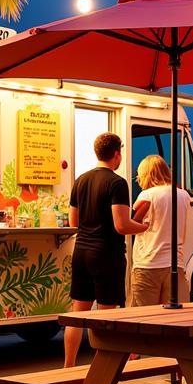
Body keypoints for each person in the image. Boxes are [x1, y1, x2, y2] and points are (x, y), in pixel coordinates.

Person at [62, 133, 148, 367]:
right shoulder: (117, 183)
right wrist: (143, 226)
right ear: (117, 153)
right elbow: (121, 225)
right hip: (106, 254)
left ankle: (68, 368)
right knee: (105, 317)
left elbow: (73, 222)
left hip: (82, 252)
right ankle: (103, 372)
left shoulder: (80, 180)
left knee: (77, 316)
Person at [129, 154, 189, 307]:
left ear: (146, 174)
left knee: (144, 320)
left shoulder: (147, 195)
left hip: (148, 264)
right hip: (175, 264)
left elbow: (133, 222)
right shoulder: (183, 195)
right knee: (173, 319)